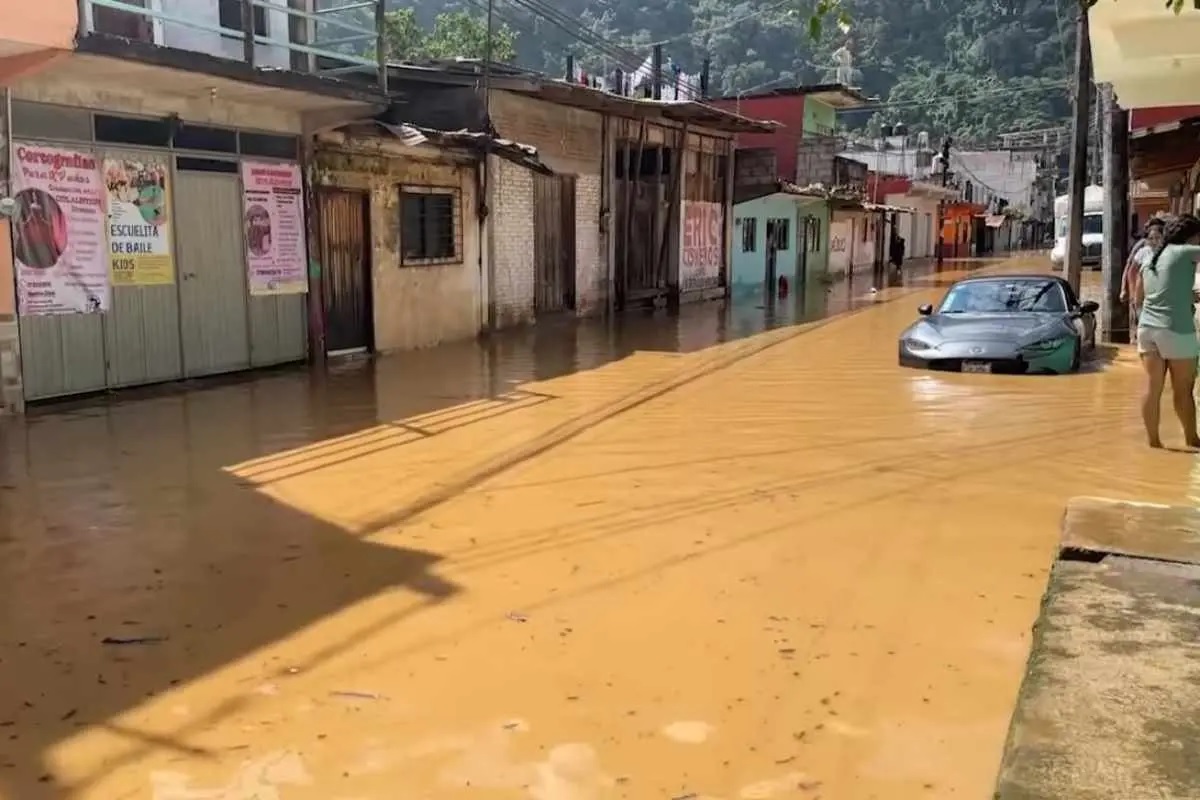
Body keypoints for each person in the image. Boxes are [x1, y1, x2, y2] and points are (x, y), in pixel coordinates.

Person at [1133, 213, 1200, 449]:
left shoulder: (1151, 260)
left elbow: (1151, 295)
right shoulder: (1183, 252)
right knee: (1184, 391)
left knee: (1152, 388)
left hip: (1147, 330)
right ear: (1191, 237)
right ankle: (1192, 440)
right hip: (1176, 330)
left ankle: (1155, 443)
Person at [1121, 216, 1166, 341]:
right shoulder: (1142, 251)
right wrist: (1130, 293)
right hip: (1143, 298)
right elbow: (1130, 270)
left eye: (1158, 238)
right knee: (1143, 329)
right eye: (1151, 238)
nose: (1154, 241)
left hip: (1162, 299)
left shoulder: (1169, 252)